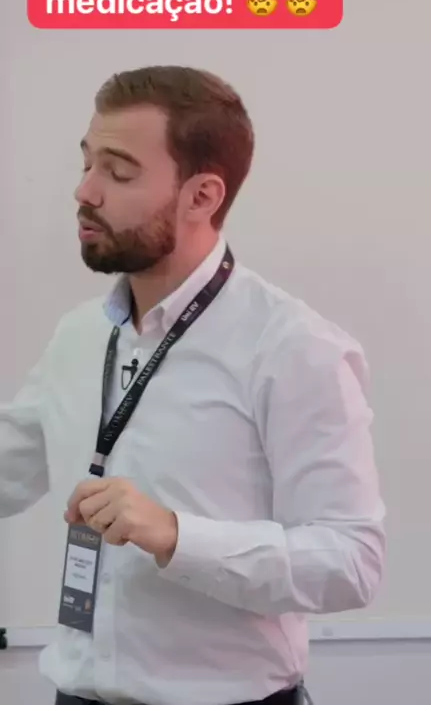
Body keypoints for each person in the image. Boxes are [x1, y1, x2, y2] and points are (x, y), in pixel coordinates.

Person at [0, 66, 385, 705]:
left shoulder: (293, 348)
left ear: (202, 196)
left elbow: (351, 563)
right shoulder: (79, 335)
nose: (84, 191)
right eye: (88, 163)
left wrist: (178, 536)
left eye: (118, 172)